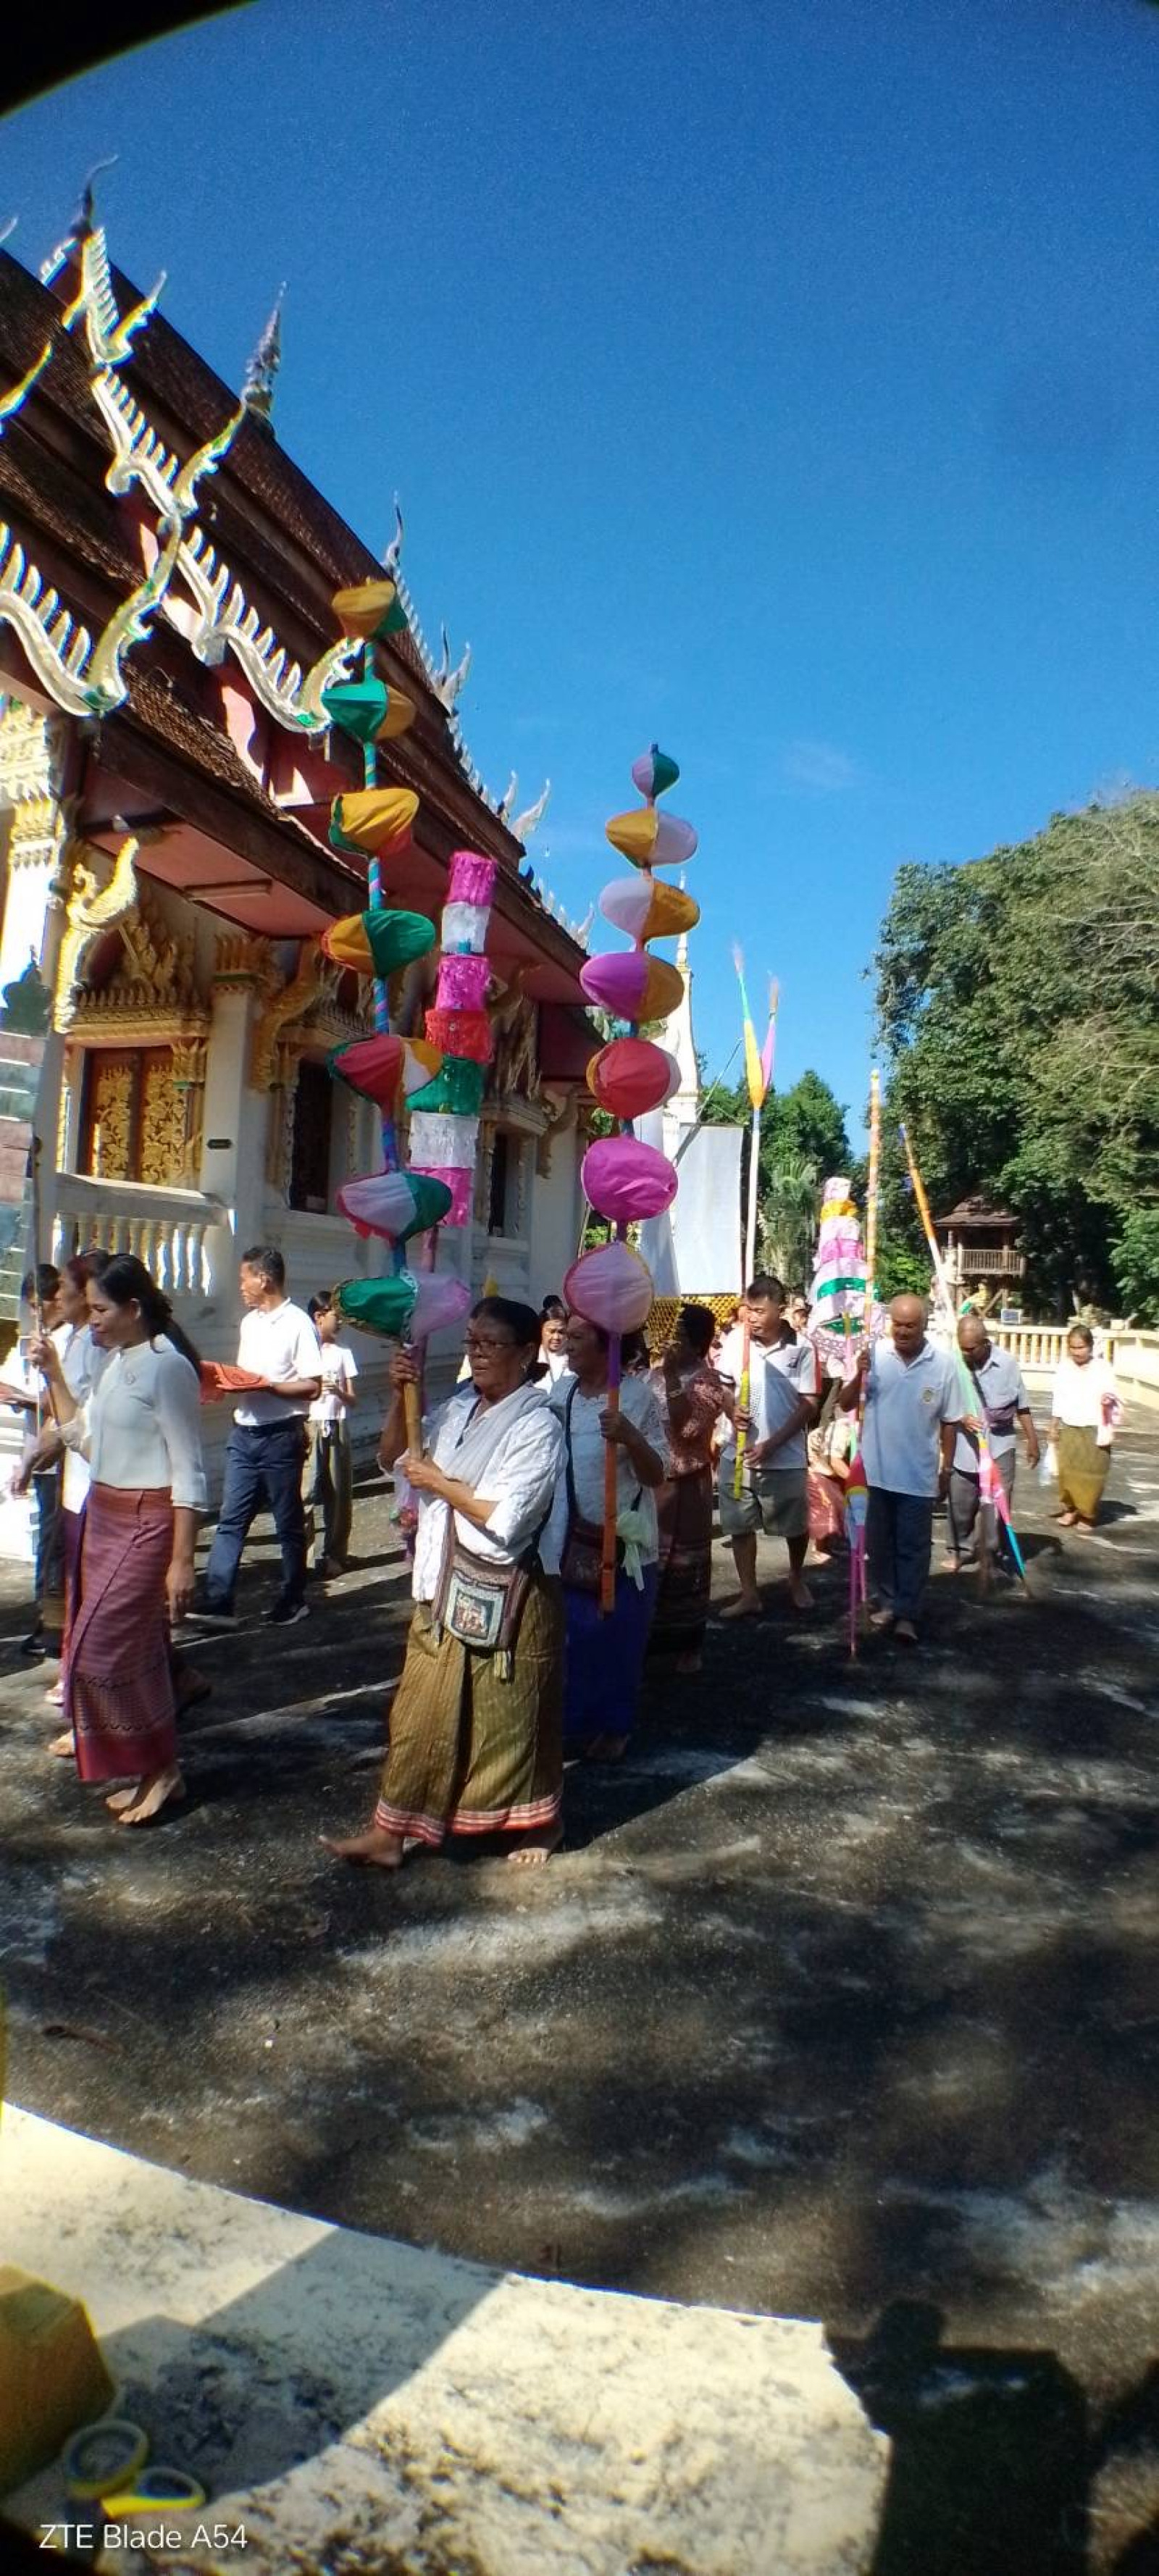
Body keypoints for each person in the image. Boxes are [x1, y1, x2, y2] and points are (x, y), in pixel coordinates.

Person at [325, 1297, 566, 1869]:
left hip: (508, 1590)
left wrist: (438, 1481)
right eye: (471, 1342)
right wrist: (400, 1398)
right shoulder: (458, 1408)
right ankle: (389, 1833)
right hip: (440, 1581)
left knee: (511, 1720)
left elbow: (508, 1518)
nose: (477, 1354)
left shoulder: (538, 1426)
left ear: (525, 1353)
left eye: (490, 1344)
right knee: (417, 1714)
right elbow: (394, 1459)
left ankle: (541, 1822)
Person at [28, 1255, 206, 1825]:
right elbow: (84, 1439)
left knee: (98, 1651)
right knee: (136, 1654)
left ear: (133, 1308)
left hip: (145, 1522)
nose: (93, 1320)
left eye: (101, 1310)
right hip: (103, 1516)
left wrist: (182, 1560)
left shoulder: (168, 1367)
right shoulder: (115, 1363)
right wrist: (54, 1374)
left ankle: (159, 1765)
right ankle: (159, 1770)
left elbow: (189, 1471)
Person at [551, 1313, 669, 1760]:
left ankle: (616, 1725)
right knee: (571, 1638)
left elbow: (656, 1474)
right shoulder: (560, 1393)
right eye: (566, 1335)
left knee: (618, 1636)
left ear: (608, 1346)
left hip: (621, 1542)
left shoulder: (635, 1397)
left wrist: (631, 1438)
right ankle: (573, 1722)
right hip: (567, 1539)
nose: (567, 1343)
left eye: (578, 1336)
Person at [197, 1246, 322, 1626]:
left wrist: (269, 1387)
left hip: (281, 1436)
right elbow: (246, 1377)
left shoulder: (298, 1324)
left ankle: (293, 1597)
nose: (241, 1287)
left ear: (264, 1279)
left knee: (287, 1522)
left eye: (244, 1279)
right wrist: (223, 1384)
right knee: (231, 1519)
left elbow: (313, 1387)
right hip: (244, 1433)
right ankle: (218, 1600)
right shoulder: (249, 1324)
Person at [843, 1293, 963, 1645]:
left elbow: (950, 1422)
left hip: (918, 1477)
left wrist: (947, 1469)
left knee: (913, 1548)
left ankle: (908, 1614)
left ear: (924, 1325)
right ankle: (888, 1601)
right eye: (897, 1324)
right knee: (879, 1546)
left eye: (911, 1325)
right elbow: (846, 1403)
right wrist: (859, 1374)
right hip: (875, 1473)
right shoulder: (874, 1356)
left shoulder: (943, 1364)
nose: (903, 1331)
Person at [716, 1275, 818, 1616]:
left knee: (794, 1525)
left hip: (785, 1458)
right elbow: (724, 1387)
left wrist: (773, 1444)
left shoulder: (802, 1347)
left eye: (760, 1311)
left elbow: (809, 1404)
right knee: (739, 1525)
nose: (752, 1317)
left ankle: (796, 1576)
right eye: (749, 1309)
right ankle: (749, 1593)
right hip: (737, 1453)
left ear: (780, 1309)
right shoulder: (735, 1341)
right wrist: (731, 1410)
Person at [649, 1302, 724, 1673]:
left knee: (686, 1564)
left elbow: (688, 1430)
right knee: (650, 1562)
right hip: (653, 1483)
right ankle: (648, 1638)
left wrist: (672, 1380)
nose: (670, 1343)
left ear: (697, 1344)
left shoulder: (708, 1381)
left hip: (687, 1486)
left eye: (679, 1337)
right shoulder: (650, 1375)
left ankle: (688, 1645)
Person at [944, 1315, 1039, 1573]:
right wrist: (961, 1417)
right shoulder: (952, 1364)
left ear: (985, 1343)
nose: (965, 1353)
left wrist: (1032, 1440)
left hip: (1000, 1445)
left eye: (971, 1349)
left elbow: (1022, 1405)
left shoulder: (1007, 1364)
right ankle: (960, 1551)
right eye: (962, 1348)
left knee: (999, 1504)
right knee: (961, 1505)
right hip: (965, 1448)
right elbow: (942, 1405)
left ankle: (992, 1552)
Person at [2, 1263, 64, 1659]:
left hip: (60, 1458)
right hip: (39, 1455)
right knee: (48, 1541)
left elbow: (60, 1401)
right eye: (32, 1307)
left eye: (43, 1305)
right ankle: (46, 1619)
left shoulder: (65, 1343)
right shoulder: (39, 1341)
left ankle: (53, 1626)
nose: (37, 1314)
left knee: (55, 1546)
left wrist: (24, 1399)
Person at [304, 1295, 358, 1576]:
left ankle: (335, 1553)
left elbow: (353, 1398)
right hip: (309, 1424)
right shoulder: (304, 1350)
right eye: (336, 1317)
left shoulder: (343, 1352)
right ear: (319, 1316)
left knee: (338, 1492)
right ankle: (304, 1556)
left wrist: (337, 1391)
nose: (340, 1323)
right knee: (305, 1493)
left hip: (336, 1423)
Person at [1049, 1324, 1122, 1531]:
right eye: (1072, 1347)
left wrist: (1108, 1398)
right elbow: (1058, 1398)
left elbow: (1113, 1392)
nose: (1076, 1352)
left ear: (1090, 1346)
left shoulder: (1103, 1368)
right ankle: (1071, 1509)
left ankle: (1088, 1514)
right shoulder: (1064, 1368)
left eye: (1081, 1347)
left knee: (1093, 1472)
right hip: (1070, 1426)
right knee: (1067, 1470)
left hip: (1095, 1426)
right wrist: (1054, 1425)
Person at [538, 1295, 571, 1384]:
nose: (556, 1337)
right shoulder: (533, 1358)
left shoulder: (575, 1358)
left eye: (561, 1332)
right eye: (551, 1331)